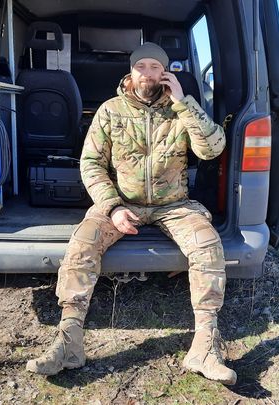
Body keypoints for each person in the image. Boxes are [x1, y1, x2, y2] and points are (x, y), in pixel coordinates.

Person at [26, 42, 236, 385]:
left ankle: (205, 346)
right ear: (131, 71)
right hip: (122, 202)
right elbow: (91, 164)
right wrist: (113, 207)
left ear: (166, 73)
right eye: (143, 67)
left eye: (156, 67)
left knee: (207, 244)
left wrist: (184, 101)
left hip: (174, 205)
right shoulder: (110, 110)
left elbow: (212, 149)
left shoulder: (180, 109)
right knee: (82, 243)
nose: (148, 74)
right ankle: (68, 343)